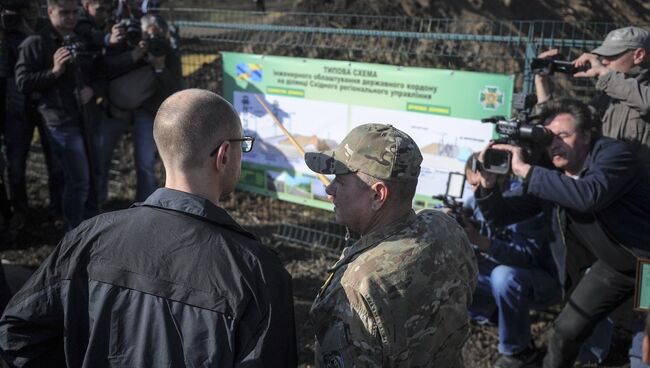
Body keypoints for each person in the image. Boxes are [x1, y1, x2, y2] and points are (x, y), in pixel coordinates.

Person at [0, 89, 298, 367]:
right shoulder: (256, 272)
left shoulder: (88, 238)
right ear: (224, 155)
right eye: (242, 144)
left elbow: (18, 334)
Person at [473, 98, 650, 368]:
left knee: (644, 349)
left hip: (648, 265)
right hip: (615, 267)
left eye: (564, 135)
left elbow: (588, 195)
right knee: (564, 332)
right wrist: (487, 187)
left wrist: (525, 170)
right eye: (549, 138)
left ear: (588, 135)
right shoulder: (552, 175)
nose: (555, 143)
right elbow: (503, 215)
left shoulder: (614, 155)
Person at [304, 123, 478, 367]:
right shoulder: (445, 228)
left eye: (340, 182)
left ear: (378, 195)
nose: (329, 189)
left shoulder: (358, 285)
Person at [463, 154, 560, 368]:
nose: (475, 192)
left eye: (479, 185)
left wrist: (481, 241)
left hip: (543, 280)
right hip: (507, 279)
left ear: (493, 178)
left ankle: (518, 351)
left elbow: (527, 257)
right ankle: (510, 326)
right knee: (458, 272)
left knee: (503, 277)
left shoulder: (522, 203)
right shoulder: (474, 202)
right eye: (471, 186)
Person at [14, 0, 99, 230]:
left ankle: (88, 228)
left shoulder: (79, 40)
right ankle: (74, 231)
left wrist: (92, 90)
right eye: (64, 13)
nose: (71, 17)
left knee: (89, 179)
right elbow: (22, 82)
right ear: (50, 11)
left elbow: (97, 72)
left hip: (84, 119)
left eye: (74, 12)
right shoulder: (35, 43)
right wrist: (53, 72)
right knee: (78, 180)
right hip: (58, 120)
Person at [535, 26, 650, 174]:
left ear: (639, 55)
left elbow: (646, 103)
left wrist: (604, 73)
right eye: (602, 56)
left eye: (611, 55)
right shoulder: (610, 92)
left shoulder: (616, 84)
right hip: (609, 182)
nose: (604, 62)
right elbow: (574, 122)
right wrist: (541, 81)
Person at [97, 13, 183, 204]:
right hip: (115, 110)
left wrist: (160, 67)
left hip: (146, 113)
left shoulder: (167, 53)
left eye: (158, 35)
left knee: (145, 163)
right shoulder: (128, 45)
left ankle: (145, 206)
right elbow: (105, 68)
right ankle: (98, 202)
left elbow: (176, 90)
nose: (152, 39)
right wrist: (133, 55)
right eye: (148, 35)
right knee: (101, 157)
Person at [3, 0, 63, 229]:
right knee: (15, 165)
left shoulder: (48, 29)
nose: (30, 9)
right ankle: (20, 212)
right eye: (25, 5)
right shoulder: (7, 30)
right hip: (17, 108)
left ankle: (56, 210)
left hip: (47, 104)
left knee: (56, 163)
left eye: (34, 4)